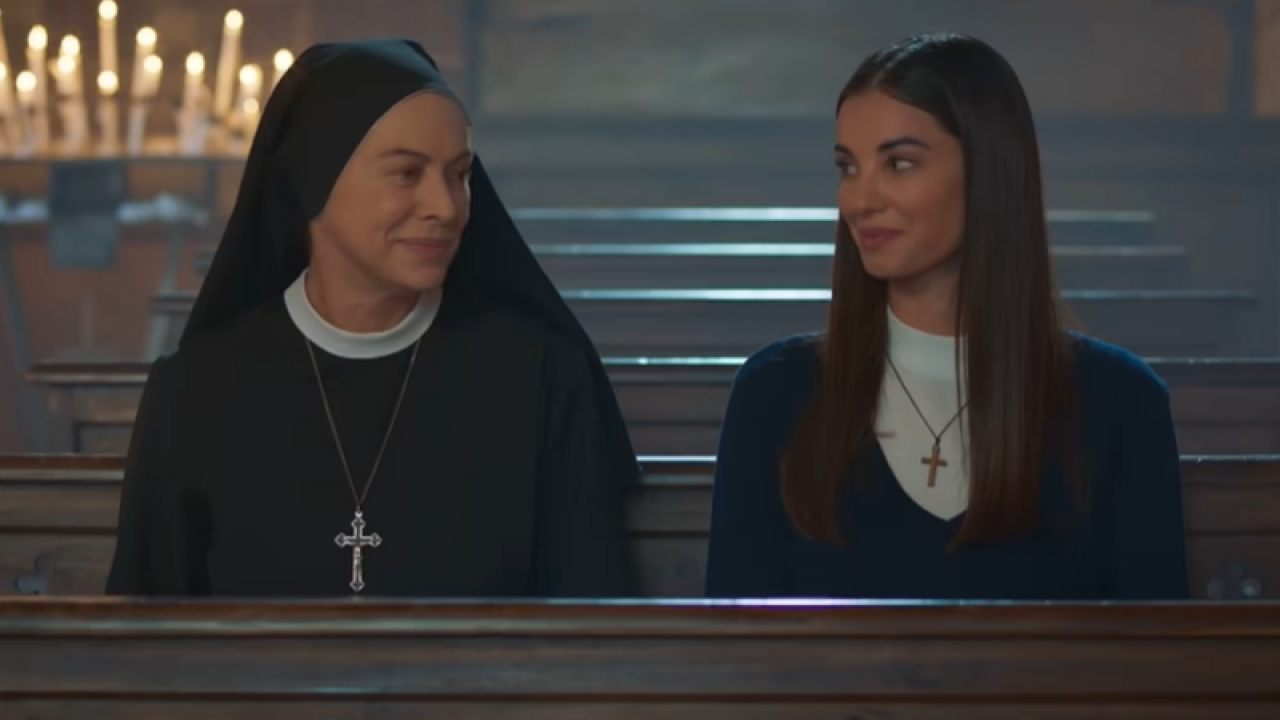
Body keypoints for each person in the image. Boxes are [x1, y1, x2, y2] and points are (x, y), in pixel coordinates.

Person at [107, 39, 636, 597]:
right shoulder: (194, 393)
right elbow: (144, 632)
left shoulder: (541, 379)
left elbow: (589, 628)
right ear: (315, 183)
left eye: (459, 175)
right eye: (406, 174)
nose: (446, 207)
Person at [705, 34, 1187, 600]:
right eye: (848, 167)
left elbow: (1154, 647)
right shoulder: (776, 394)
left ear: (988, 171)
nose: (859, 201)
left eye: (899, 164)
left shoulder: (1121, 404)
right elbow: (738, 643)